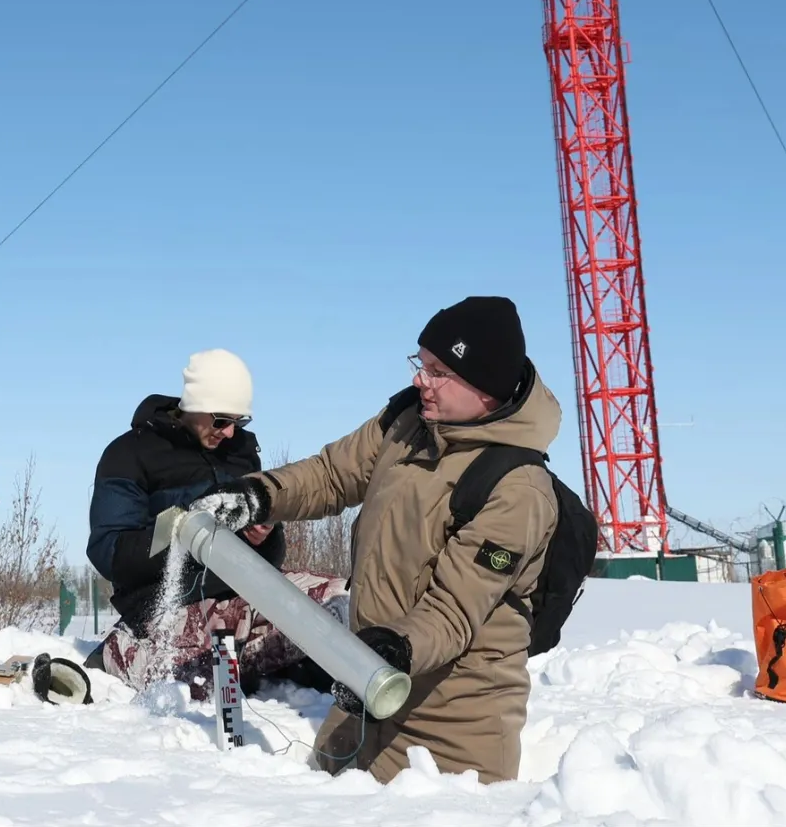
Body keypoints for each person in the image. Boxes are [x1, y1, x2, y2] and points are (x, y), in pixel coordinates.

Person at [192, 296, 561, 783]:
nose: (418, 380)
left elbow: (452, 613)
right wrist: (261, 495)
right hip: (366, 695)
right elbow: (331, 474)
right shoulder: (408, 423)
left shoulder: (517, 488)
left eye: (437, 370)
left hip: (451, 733)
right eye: (420, 363)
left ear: (485, 387)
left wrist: (388, 652)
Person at [86, 349, 344, 697]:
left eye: (239, 422)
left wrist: (262, 536)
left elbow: (271, 559)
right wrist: (184, 526)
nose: (229, 432)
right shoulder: (129, 454)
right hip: (171, 608)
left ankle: (289, 667)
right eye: (221, 420)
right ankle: (123, 655)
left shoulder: (241, 454)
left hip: (246, 596)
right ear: (194, 405)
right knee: (194, 684)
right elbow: (109, 553)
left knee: (342, 601)